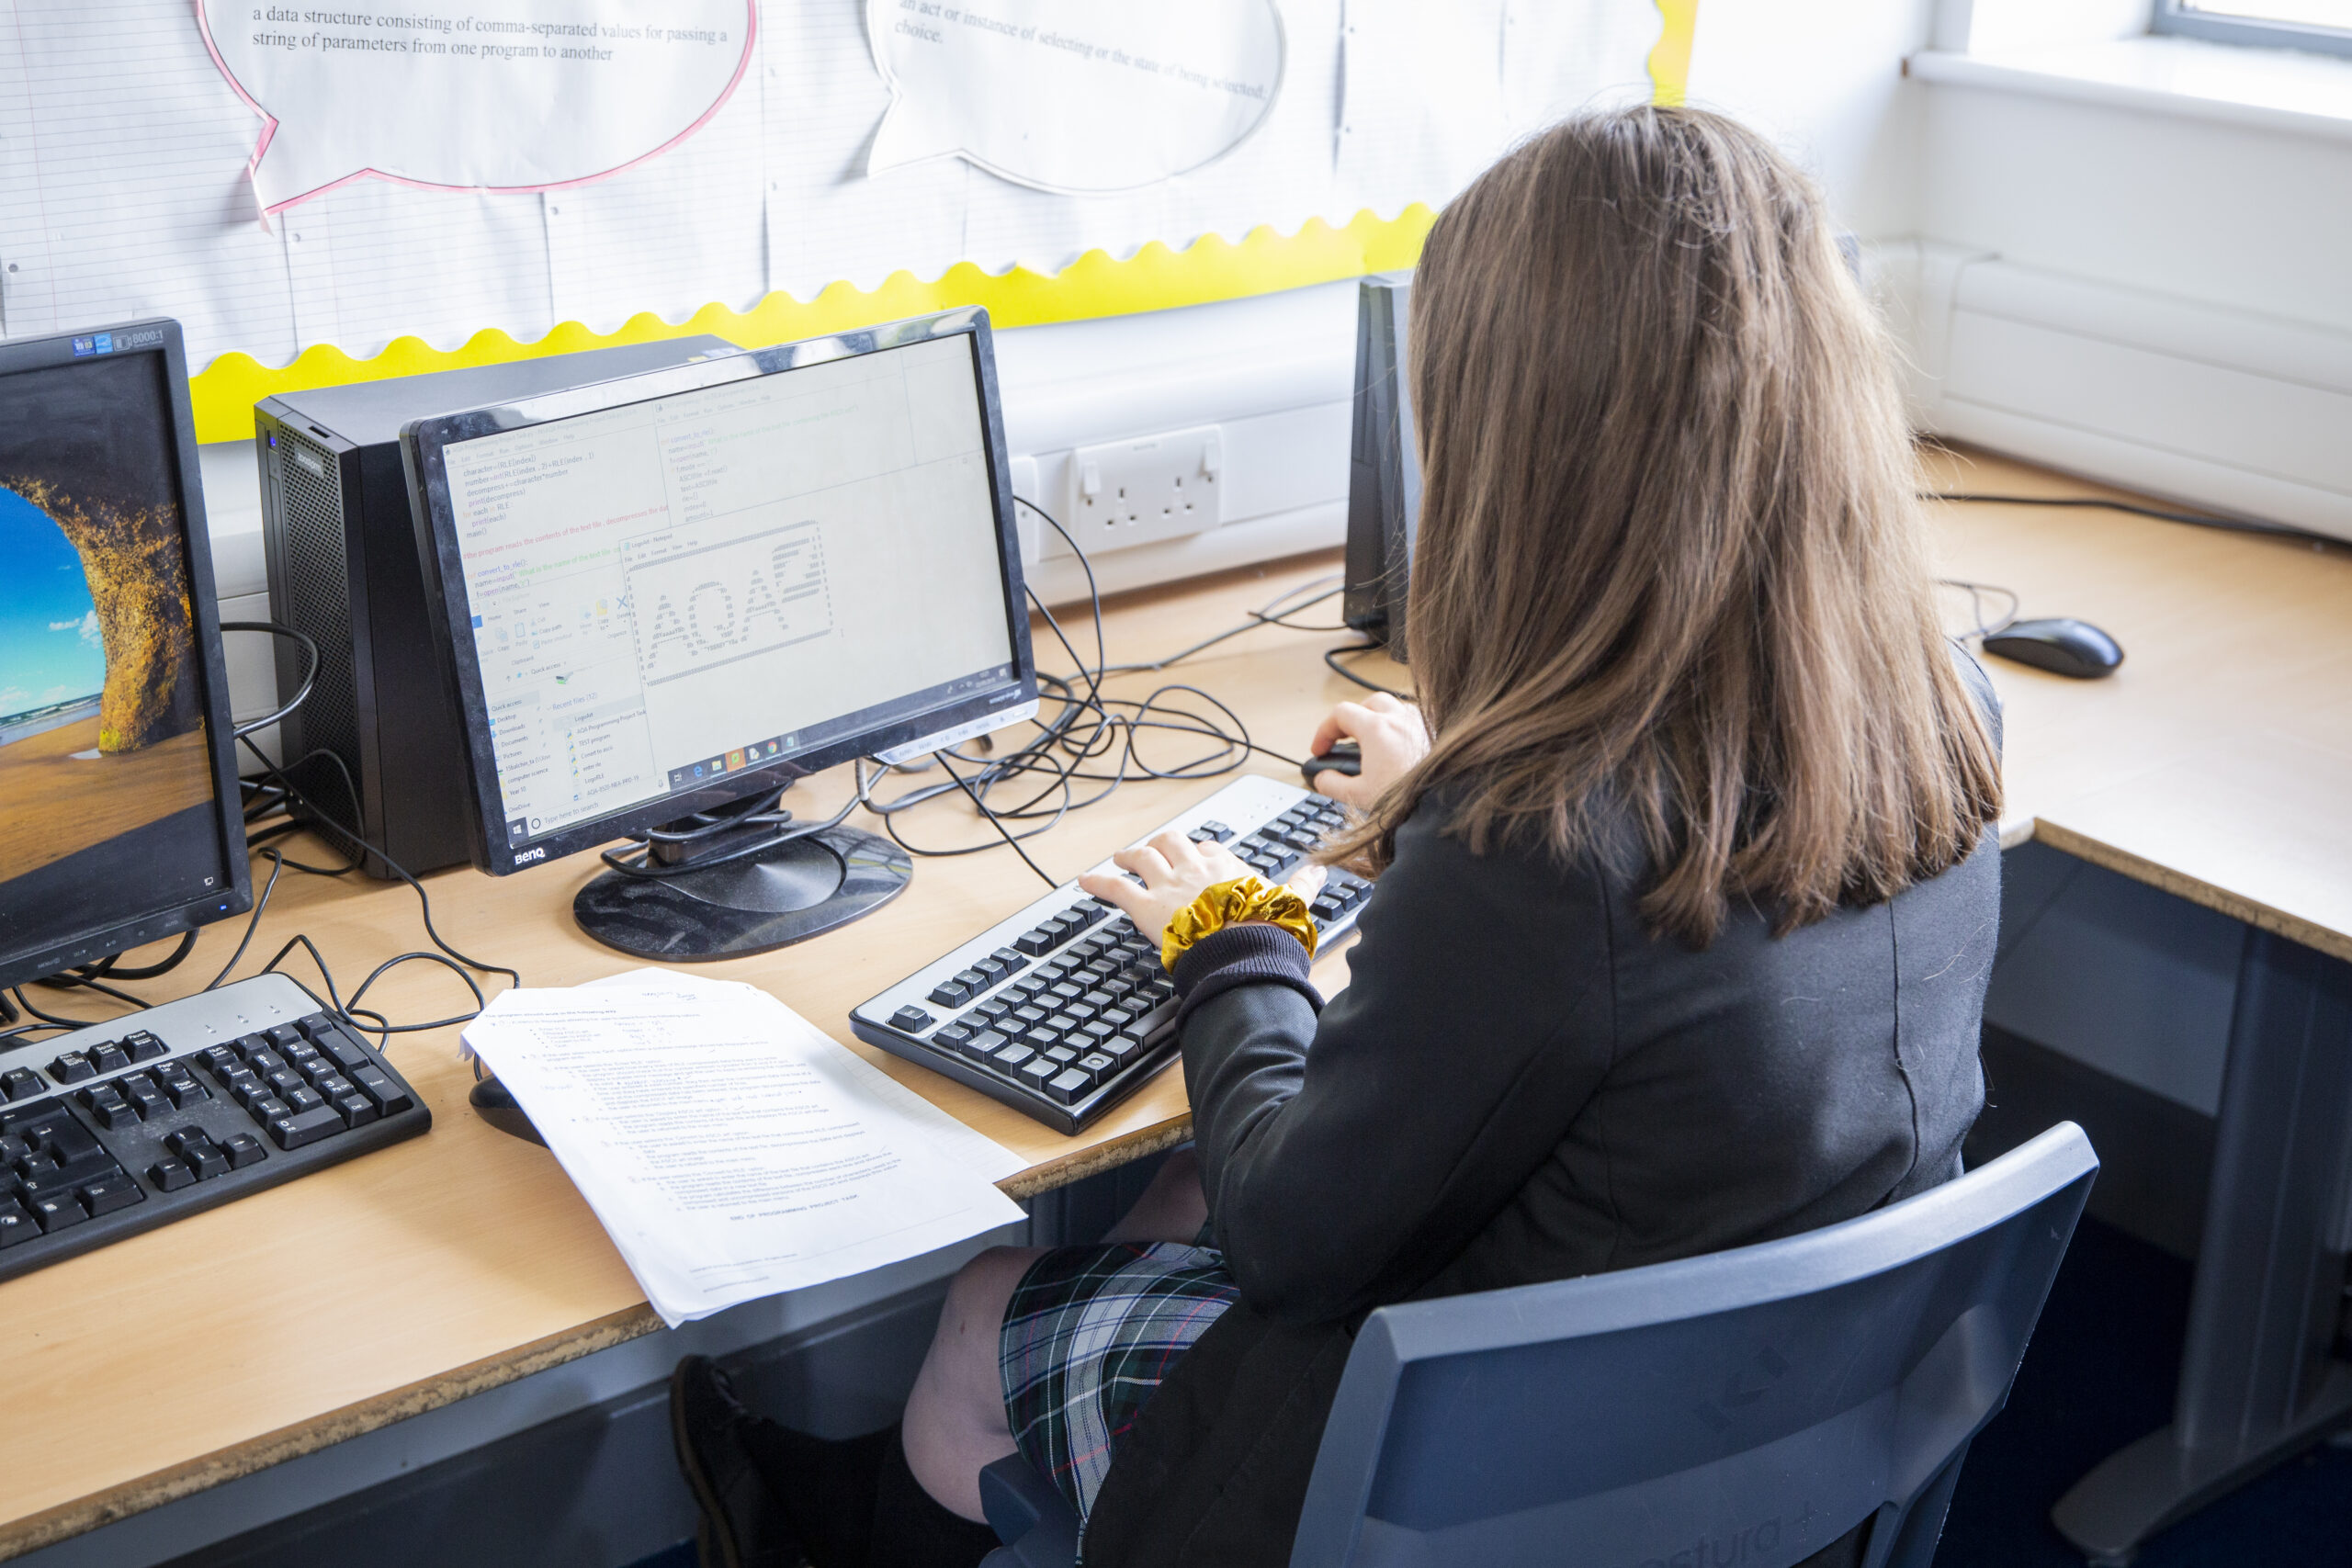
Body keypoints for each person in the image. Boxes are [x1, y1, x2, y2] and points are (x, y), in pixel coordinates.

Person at [669, 101, 2005, 1568]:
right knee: (1169, 1181)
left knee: (994, 1298)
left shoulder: (1540, 854)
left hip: (1449, 1494)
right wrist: (1445, 793)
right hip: (1743, 1440)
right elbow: (1648, 906)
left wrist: (1229, 941)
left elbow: (1290, 1242)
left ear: (1522, 441)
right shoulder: (1939, 716)